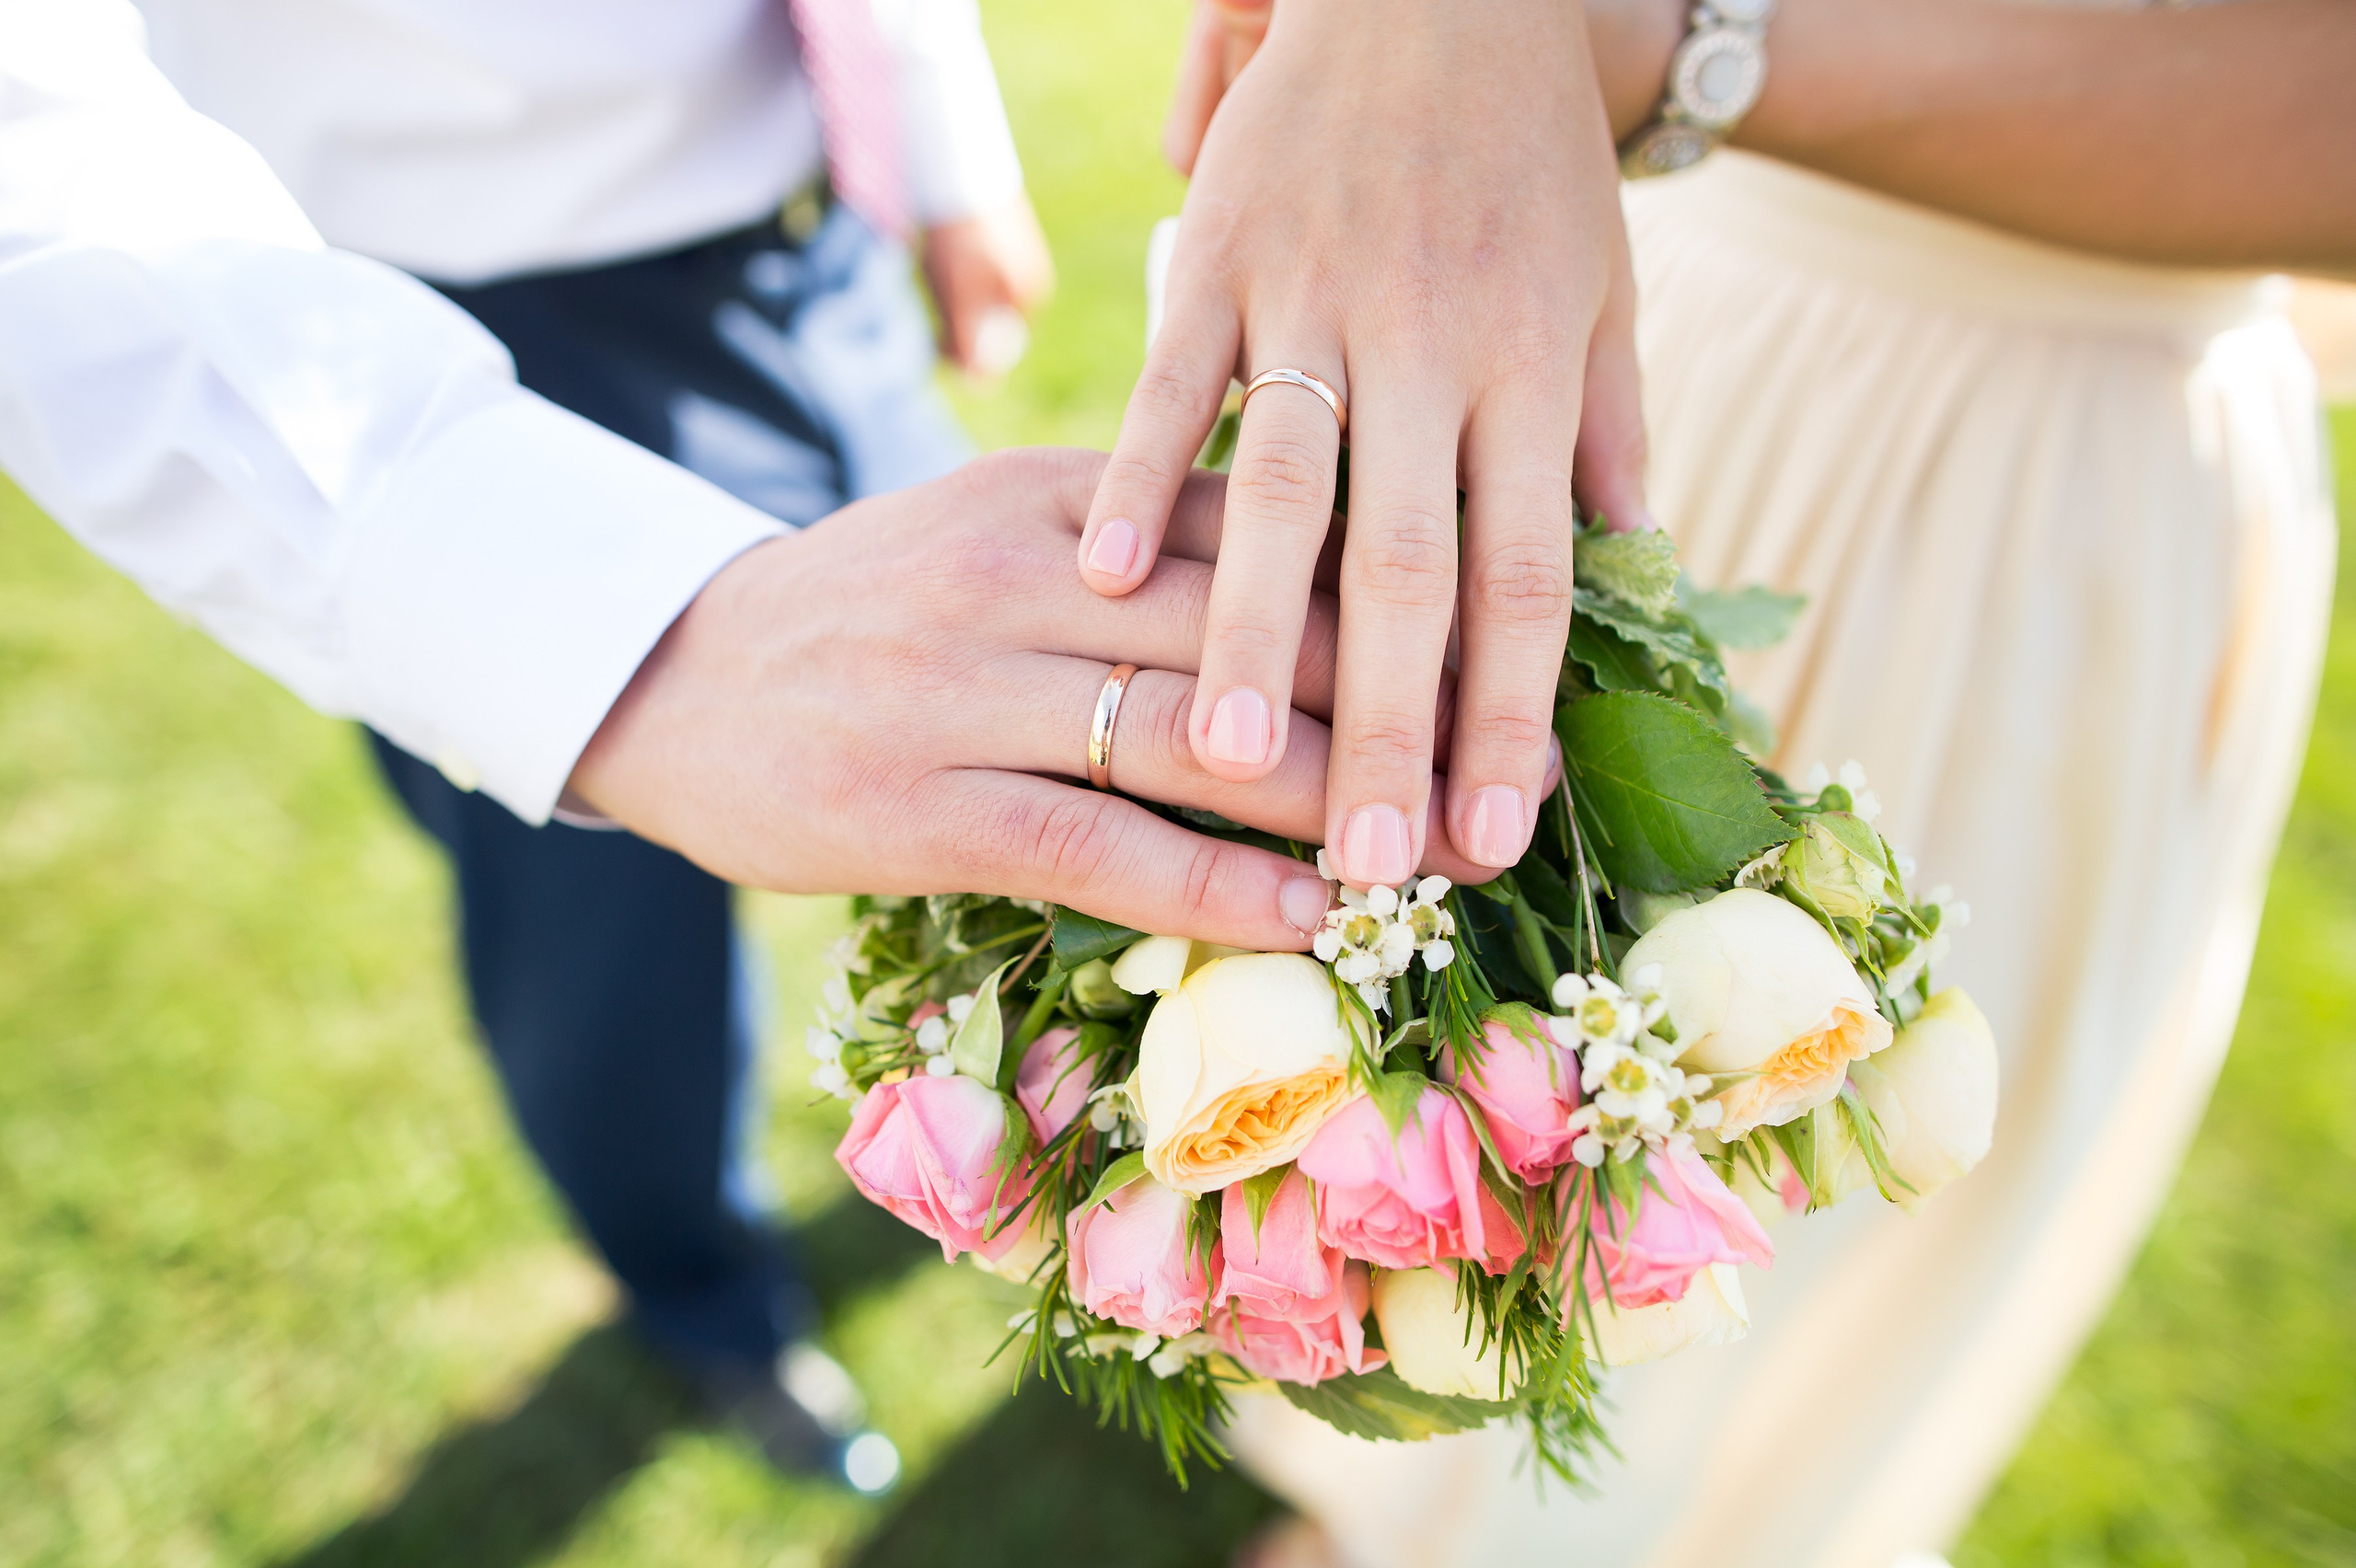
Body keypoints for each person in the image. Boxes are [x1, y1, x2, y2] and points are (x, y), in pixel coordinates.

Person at [0, 0, 1623, 1487]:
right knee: (602, 957)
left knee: (1053, 812)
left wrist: (933, 141)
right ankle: (707, 1303)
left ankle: (1082, 1204)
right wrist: (635, 654)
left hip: (809, 234)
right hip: (432, 329)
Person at [1179, 2, 2353, 1565]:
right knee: (1450, 1060)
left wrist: (1667, 46)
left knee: (1769, 1254)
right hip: (1613, 272)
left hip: (2026, 474)